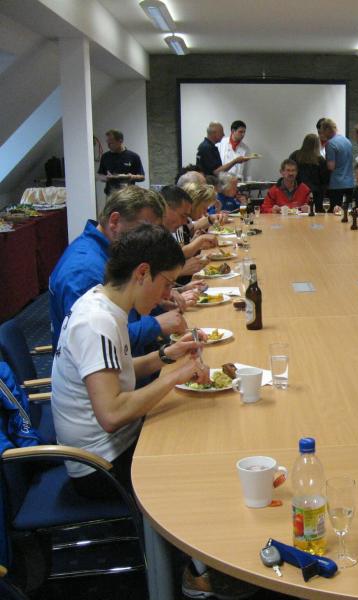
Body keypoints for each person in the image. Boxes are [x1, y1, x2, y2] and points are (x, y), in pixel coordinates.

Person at [50, 224, 256, 600]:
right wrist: (175, 376)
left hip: (113, 443)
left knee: (203, 428)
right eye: (166, 284)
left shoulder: (103, 304)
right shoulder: (97, 323)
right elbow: (111, 413)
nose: (167, 295)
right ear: (142, 272)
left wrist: (165, 356)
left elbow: (116, 372)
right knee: (199, 456)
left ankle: (209, 556)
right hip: (98, 464)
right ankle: (196, 573)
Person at [49, 187, 186, 352]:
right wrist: (156, 324)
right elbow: (96, 341)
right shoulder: (85, 271)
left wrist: (157, 298)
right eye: (142, 230)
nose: (150, 239)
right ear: (114, 221)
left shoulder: (111, 252)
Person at [319, 118, 354, 210]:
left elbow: (331, 166)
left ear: (327, 129)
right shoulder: (347, 141)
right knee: (347, 211)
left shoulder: (330, 144)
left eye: (323, 132)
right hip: (350, 183)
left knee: (336, 212)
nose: (323, 135)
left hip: (337, 184)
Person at [97, 129, 145, 196]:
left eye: (111, 143)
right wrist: (106, 178)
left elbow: (142, 177)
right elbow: (100, 175)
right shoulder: (105, 156)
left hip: (128, 195)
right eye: (107, 142)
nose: (108, 145)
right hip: (111, 195)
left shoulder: (134, 156)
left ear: (120, 141)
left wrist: (129, 177)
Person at [289, 133, 329, 212]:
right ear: (317, 145)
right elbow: (325, 180)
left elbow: (289, 170)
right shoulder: (320, 160)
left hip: (297, 190)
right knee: (314, 213)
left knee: (297, 212)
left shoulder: (295, 155)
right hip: (315, 193)